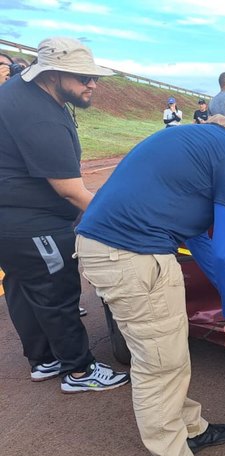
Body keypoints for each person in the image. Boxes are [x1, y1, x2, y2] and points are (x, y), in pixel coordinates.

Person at [75, 111, 225, 456]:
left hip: (118, 249)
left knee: (169, 355)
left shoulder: (209, 146)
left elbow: (197, 238)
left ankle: (191, 431)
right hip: (133, 255)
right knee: (159, 367)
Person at [0, 37, 128, 392]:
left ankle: (43, 360)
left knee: (25, 286)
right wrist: (118, 225)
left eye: (95, 78)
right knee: (57, 290)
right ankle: (79, 371)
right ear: (52, 74)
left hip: (12, 220)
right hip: (31, 221)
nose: (92, 84)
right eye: (83, 77)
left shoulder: (21, 94)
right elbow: (70, 189)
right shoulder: (39, 115)